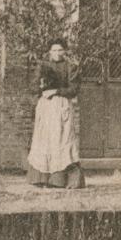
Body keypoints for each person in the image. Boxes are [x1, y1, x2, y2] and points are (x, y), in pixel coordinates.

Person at [25, 37, 84, 189]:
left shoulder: (71, 67)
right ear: (49, 52)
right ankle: (41, 178)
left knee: (62, 139)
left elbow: (74, 90)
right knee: (44, 139)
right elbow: (32, 87)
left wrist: (56, 90)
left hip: (62, 105)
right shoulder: (42, 66)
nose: (57, 53)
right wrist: (41, 86)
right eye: (54, 50)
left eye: (60, 50)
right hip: (46, 106)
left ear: (65, 51)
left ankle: (61, 180)